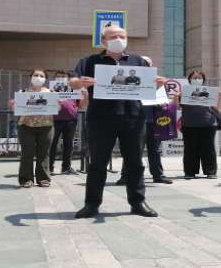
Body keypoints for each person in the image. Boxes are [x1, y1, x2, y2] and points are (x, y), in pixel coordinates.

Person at [69, 25, 166, 218]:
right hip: (100, 119)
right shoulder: (89, 61)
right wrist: (80, 83)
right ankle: (92, 204)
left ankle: (138, 202)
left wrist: (157, 85)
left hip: (133, 118)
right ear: (104, 41)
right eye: (114, 36)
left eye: (122, 35)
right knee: (97, 163)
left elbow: (148, 89)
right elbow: (73, 81)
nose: (119, 39)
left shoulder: (138, 61)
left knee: (135, 162)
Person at [116, 56, 174, 185]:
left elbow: (165, 102)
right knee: (133, 150)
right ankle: (126, 176)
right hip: (135, 120)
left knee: (155, 149)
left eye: (147, 64)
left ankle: (158, 175)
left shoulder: (158, 80)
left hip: (153, 120)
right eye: (142, 64)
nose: (144, 65)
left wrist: (162, 89)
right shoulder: (129, 80)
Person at [181, 70, 221, 179]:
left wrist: (220, 98)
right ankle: (190, 172)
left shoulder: (209, 91)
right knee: (190, 149)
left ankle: (211, 172)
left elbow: (217, 109)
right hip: (189, 124)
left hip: (208, 124)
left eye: (199, 77)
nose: (197, 80)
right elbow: (177, 107)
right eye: (194, 77)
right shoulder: (184, 92)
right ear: (190, 79)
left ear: (203, 79)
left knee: (208, 149)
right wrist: (177, 97)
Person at [15, 70, 53, 188]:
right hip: (26, 126)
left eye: (41, 76)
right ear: (30, 77)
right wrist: (13, 105)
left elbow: (57, 108)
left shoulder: (51, 92)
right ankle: (26, 179)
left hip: (46, 126)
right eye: (35, 75)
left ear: (45, 79)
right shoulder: (22, 92)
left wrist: (59, 104)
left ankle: (43, 178)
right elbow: (17, 108)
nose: (38, 77)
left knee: (44, 153)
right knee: (27, 153)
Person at [49, 71, 80, 175]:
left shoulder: (75, 89)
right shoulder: (50, 89)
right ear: (55, 78)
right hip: (54, 119)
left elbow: (80, 103)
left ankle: (66, 167)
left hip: (71, 120)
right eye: (58, 76)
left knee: (68, 144)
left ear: (68, 78)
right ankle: (49, 167)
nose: (61, 78)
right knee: (52, 144)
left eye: (63, 76)